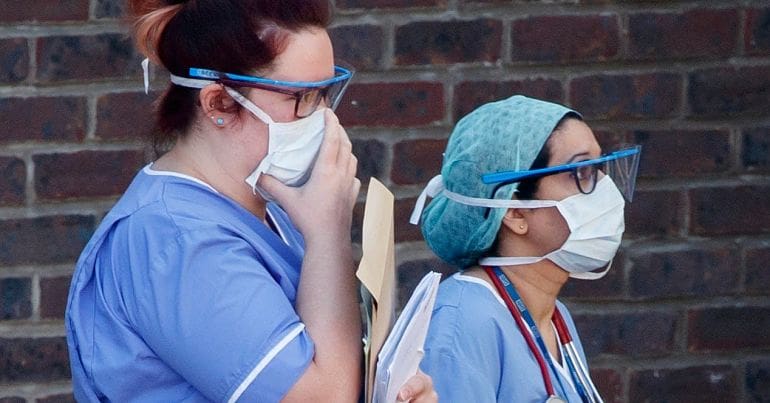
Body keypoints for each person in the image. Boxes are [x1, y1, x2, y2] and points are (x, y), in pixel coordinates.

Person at [65, 1, 436, 402]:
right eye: (303, 98)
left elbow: (337, 360)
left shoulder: (274, 207)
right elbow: (324, 397)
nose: (326, 118)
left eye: (326, 93)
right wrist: (328, 232)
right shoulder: (176, 240)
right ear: (219, 104)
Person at [409, 95, 641, 402]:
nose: (604, 187)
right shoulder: (462, 324)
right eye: (581, 171)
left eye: (600, 167)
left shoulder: (554, 316)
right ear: (514, 211)